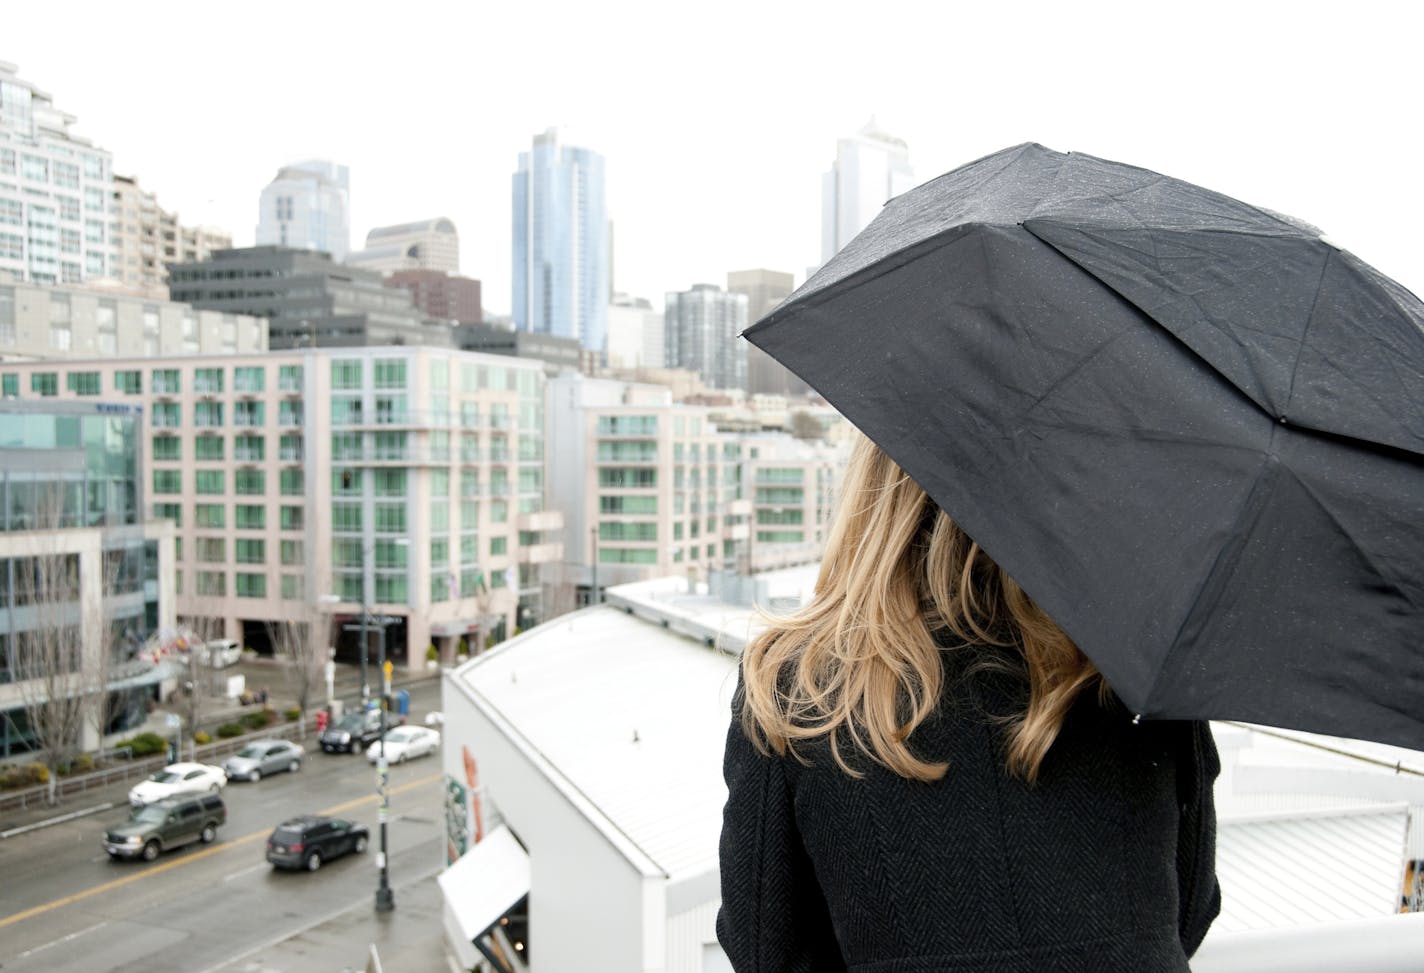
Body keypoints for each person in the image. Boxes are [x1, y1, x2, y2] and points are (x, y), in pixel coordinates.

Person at [717, 434, 1220, 971]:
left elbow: (763, 946)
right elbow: (1187, 909)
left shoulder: (802, 685)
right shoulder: (1134, 657)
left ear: (877, 488)